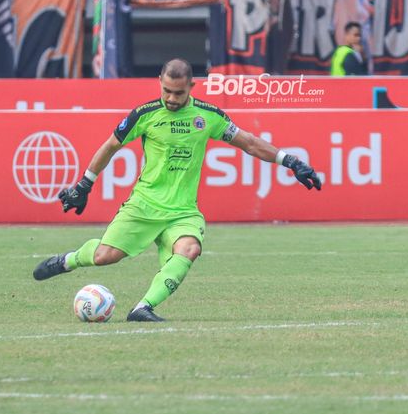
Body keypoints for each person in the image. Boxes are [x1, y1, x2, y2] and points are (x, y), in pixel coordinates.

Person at [33, 58, 322, 322]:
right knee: (105, 257)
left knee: (189, 248)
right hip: (144, 205)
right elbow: (111, 146)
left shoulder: (208, 117)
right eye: (167, 91)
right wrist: (85, 184)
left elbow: (248, 142)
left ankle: (142, 308)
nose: (171, 98)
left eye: (178, 93)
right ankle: (68, 261)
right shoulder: (144, 115)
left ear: (191, 87)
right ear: (160, 81)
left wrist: (291, 161)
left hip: (182, 211)